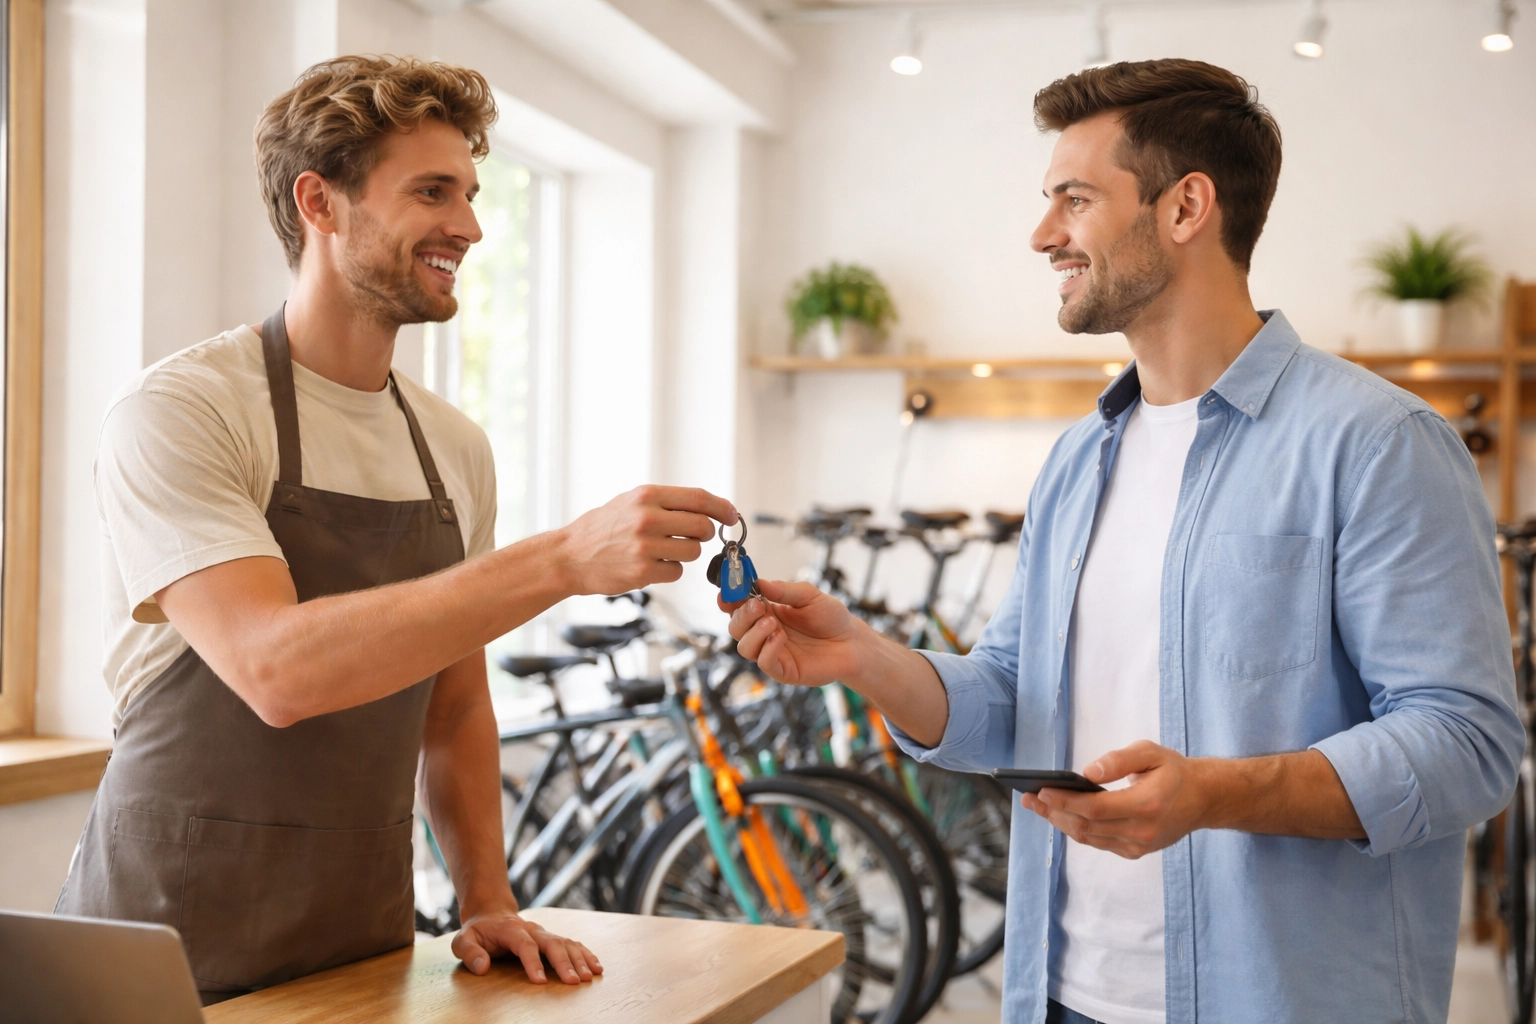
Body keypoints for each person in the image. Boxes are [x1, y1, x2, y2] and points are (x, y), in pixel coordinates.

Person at [726, 59, 1522, 1024]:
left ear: (1187, 207)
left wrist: (1214, 794)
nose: (1042, 234)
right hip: (1065, 997)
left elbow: (1465, 744)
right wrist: (868, 660)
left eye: (1074, 199)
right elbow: (1016, 698)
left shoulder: (1378, 443)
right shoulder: (1077, 461)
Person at [56, 55, 736, 1004]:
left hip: (358, 944)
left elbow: (453, 710)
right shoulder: (186, 409)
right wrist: (559, 560)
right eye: (432, 191)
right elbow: (276, 672)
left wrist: (486, 898)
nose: (469, 224)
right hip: (157, 947)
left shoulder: (454, 449)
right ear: (320, 203)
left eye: (469, 192)